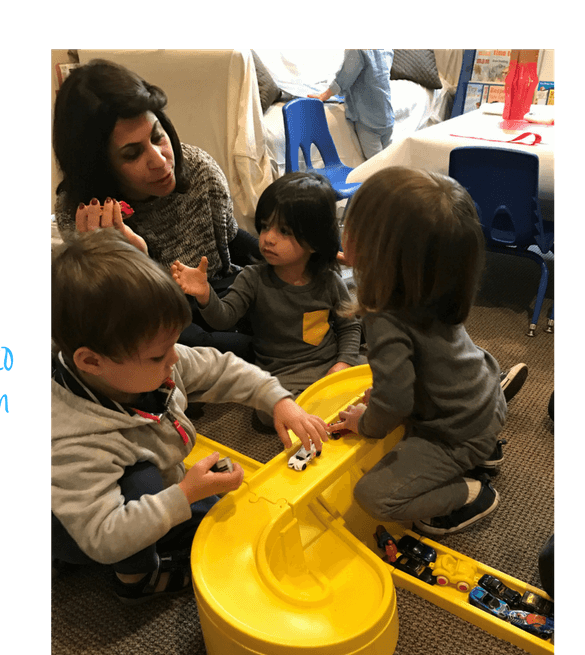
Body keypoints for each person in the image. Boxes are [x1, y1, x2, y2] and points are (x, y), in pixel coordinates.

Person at [51, 229, 329, 603]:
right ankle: (135, 580)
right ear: (91, 361)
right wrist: (184, 494)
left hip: (116, 488)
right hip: (83, 526)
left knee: (209, 511)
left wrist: (278, 400)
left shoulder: (148, 363)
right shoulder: (72, 440)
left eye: (172, 344)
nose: (176, 358)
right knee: (145, 489)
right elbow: (104, 535)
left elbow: (220, 369)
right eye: (157, 355)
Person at [334, 166, 519, 535]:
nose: (343, 231)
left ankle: (469, 492)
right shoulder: (430, 285)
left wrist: (365, 422)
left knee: (373, 497)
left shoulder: (383, 318)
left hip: (453, 433)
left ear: (378, 251)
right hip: (482, 395)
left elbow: (395, 403)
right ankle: (483, 447)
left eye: (350, 225)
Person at [53, 59, 257, 358]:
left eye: (157, 136)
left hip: (215, 294)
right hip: (149, 313)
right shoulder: (83, 214)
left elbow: (231, 241)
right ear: (100, 168)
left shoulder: (200, 170)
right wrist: (130, 261)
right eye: (132, 154)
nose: (160, 161)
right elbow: (127, 320)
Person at [170, 172, 363, 426]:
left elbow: (349, 325)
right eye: (264, 226)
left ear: (314, 243)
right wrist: (206, 295)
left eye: (284, 231)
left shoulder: (329, 279)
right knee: (266, 414)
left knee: (374, 376)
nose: (268, 238)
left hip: (329, 365)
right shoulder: (253, 278)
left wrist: (343, 362)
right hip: (284, 374)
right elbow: (224, 318)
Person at [317, 50, 394, 160]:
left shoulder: (358, 51)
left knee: (376, 165)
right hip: (387, 114)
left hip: (368, 118)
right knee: (390, 160)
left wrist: (325, 95)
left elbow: (344, 77)